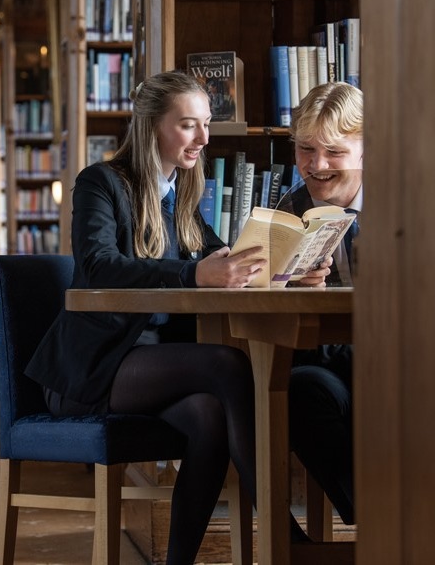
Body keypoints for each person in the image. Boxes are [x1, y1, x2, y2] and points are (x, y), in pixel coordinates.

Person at [24, 71, 272, 564]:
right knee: (225, 365)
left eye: (205, 124)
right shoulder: (100, 182)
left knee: (207, 416)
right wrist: (193, 274)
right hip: (92, 370)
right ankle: (278, 520)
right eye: (188, 125)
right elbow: (97, 265)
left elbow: (219, 259)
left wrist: (281, 272)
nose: (204, 138)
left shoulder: (179, 197)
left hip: (150, 367)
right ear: (151, 126)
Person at [284, 81, 363, 527]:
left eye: (333, 151)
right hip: (327, 363)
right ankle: (375, 517)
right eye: (305, 150)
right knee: (300, 390)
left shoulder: (409, 203)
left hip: (403, 363)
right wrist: (285, 287)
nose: (316, 166)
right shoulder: (289, 210)